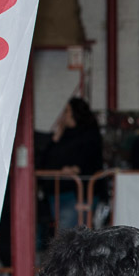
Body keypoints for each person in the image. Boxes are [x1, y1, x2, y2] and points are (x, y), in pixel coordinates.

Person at [39, 97, 103, 230]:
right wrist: (57, 135)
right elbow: (46, 159)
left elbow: (89, 159)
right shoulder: (63, 135)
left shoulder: (89, 134)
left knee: (69, 234)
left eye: (67, 111)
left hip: (77, 193)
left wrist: (75, 168)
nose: (64, 115)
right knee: (62, 233)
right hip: (57, 191)